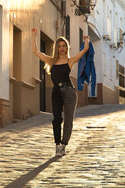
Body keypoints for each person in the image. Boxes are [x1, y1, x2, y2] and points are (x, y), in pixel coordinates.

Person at [31, 28, 90, 156]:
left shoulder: (70, 60)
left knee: (68, 120)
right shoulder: (51, 61)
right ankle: (57, 144)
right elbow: (35, 51)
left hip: (69, 92)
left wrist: (87, 40)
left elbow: (84, 50)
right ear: (56, 48)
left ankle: (63, 145)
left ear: (66, 48)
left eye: (63, 46)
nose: (61, 48)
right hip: (56, 92)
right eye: (59, 46)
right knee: (57, 119)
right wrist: (34, 35)